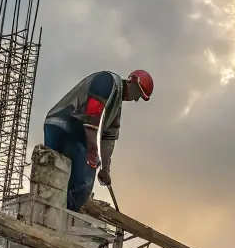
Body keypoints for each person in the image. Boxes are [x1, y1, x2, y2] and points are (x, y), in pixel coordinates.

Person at [43, 70, 153, 212]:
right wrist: (92, 153)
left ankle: (57, 212)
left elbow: (108, 140)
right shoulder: (107, 82)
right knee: (81, 180)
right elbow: (91, 118)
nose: (136, 99)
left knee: (59, 174)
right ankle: (63, 214)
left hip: (68, 129)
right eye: (138, 94)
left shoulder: (115, 106)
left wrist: (105, 169)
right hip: (65, 125)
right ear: (132, 81)